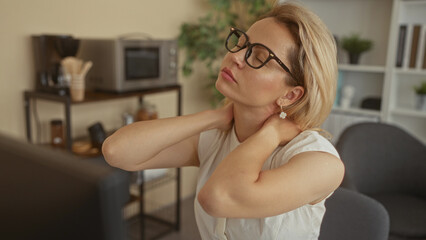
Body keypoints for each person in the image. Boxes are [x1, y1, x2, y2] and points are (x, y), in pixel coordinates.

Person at [103, 2, 344, 239]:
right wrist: (213, 117)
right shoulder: (217, 136)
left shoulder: (320, 162)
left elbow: (219, 197)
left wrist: (271, 134)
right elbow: (117, 151)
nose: (236, 56)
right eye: (241, 43)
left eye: (258, 56)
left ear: (290, 94)